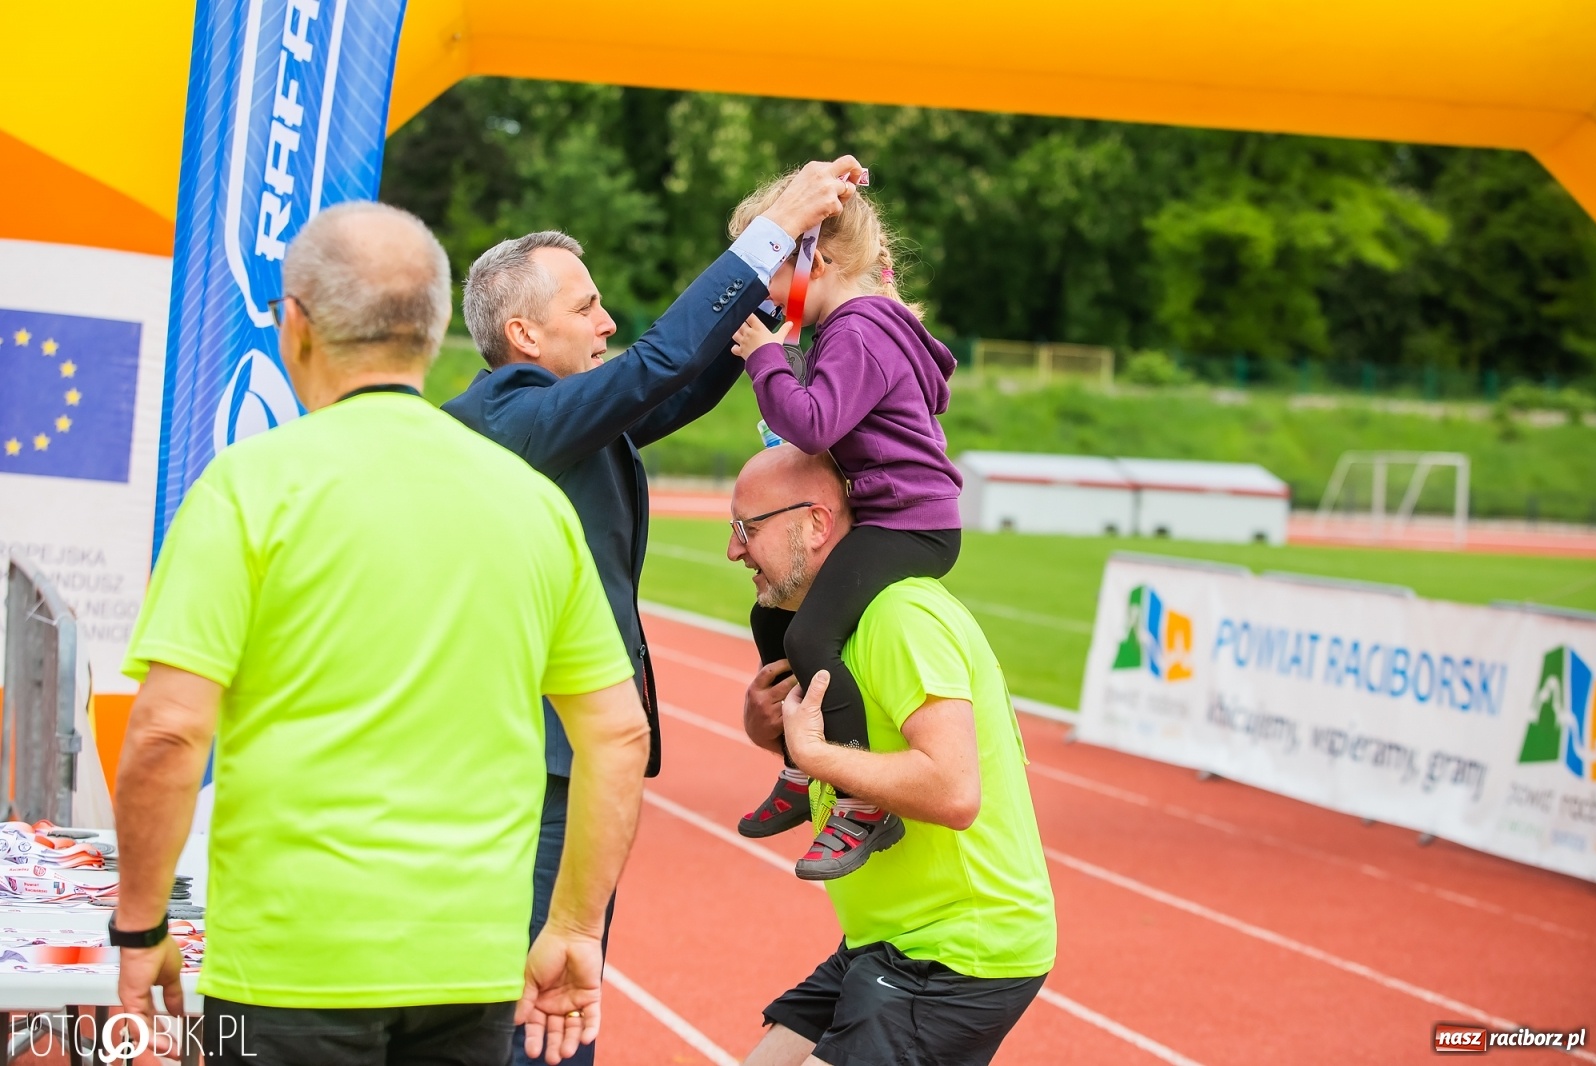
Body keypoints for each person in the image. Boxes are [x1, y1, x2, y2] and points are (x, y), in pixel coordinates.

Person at [113, 201, 650, 1066]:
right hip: (471, 961)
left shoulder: (249, 488)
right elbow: (618, 734)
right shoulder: (532, 503)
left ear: (297, 327)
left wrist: (139, 929)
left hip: (289, 964)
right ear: (435, 334)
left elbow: (169, 730)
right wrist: (577, 924)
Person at [443, 157, 865, 1064]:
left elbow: (688, 378)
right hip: (534, 765)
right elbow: (662, 359)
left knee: (553, 995)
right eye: (585, 306)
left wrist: (794, 269)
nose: (607, 322)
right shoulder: (511, 421)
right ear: (522, 332)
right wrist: (771, 226)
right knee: (536, 1001)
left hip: (563, 760)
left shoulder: (561, 418)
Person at [727, 445, 1055, 1066]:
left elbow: (953, 790)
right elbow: (856, 750)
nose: (735, 550)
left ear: (818, 523)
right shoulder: (830, 624)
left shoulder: (900, 616)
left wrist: (812, 756)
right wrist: (766, 730)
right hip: (886, 936)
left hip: (957, 950)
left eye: (749, 528)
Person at [726, 171, 965, 880]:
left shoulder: (857, 330)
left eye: (766, 268)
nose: (758, 291)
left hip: (911, 524)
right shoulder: (855, 326)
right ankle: (806, 769)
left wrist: (765, 356)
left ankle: (861, 794)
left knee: (810, 633)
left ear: (816, 264)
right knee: (773, 622)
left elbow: (812, 421)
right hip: (891, 513)